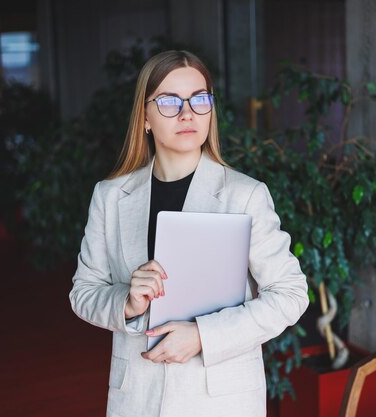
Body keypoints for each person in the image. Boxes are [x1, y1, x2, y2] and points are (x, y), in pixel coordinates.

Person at [69, 50, 309, 417]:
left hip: (220, 401)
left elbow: (291, 295)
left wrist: (203, 335)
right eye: (168, 101)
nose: (187, 113)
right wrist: (128, 305)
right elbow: (83, 293)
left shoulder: (244, 194)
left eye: (200, 99)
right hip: (138, 397)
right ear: (145, 117)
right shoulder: (110, 196)